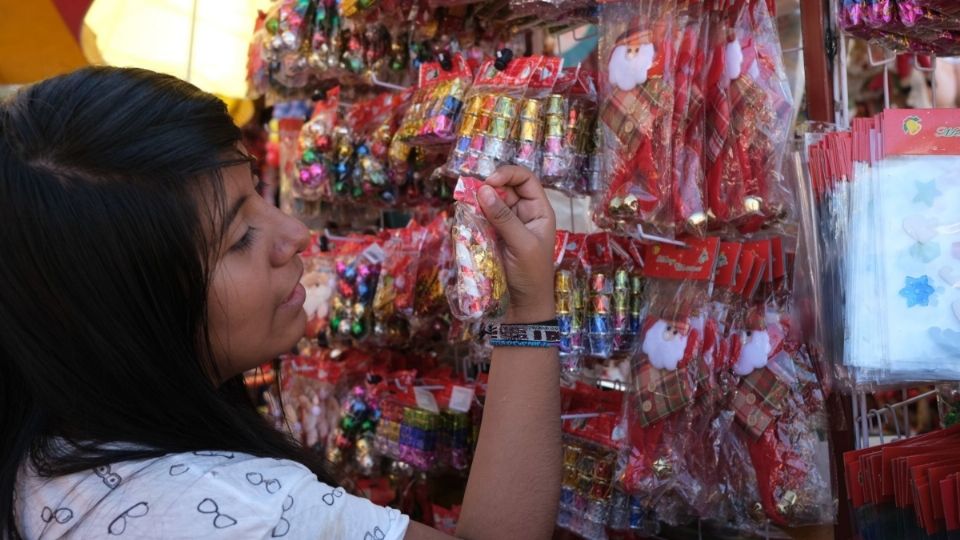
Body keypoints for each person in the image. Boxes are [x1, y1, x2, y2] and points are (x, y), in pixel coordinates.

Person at [0, 67, 560, 539]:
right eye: (239, 236)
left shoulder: (47, 451)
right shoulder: (245, 517)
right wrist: (530, 308)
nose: (294, 233)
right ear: (127, 315)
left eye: (259, 196)